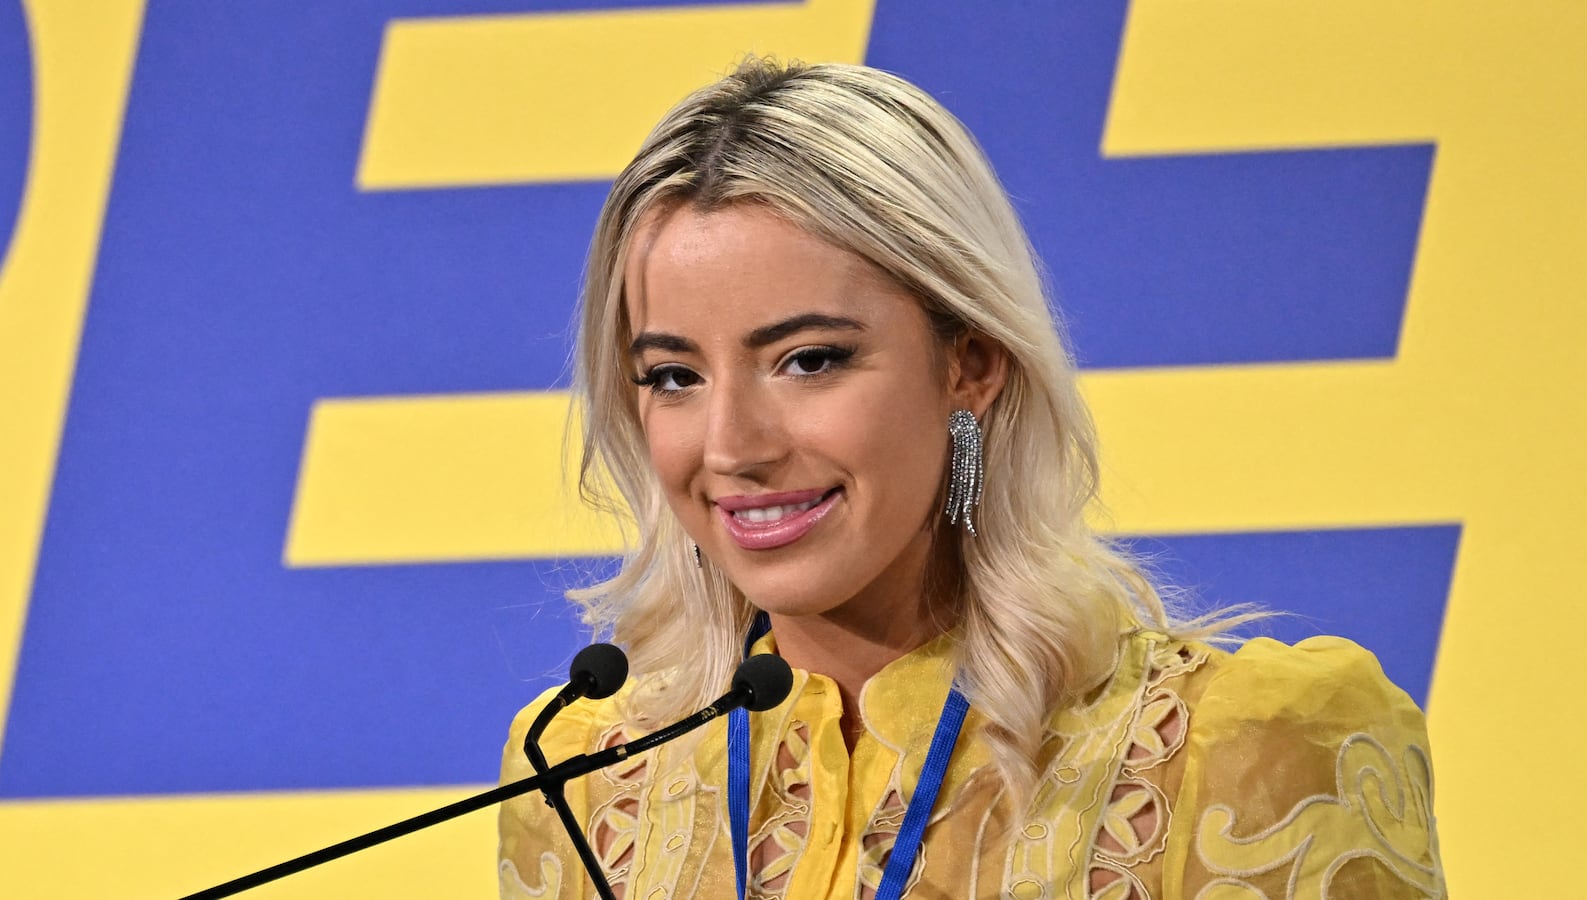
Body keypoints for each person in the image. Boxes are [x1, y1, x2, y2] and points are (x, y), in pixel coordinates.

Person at [498, 58, 1444, 899]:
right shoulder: (586, 775)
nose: (732, 444)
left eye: (810, 360)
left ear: (972, 365)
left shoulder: (1244, 744)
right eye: (674, 377)